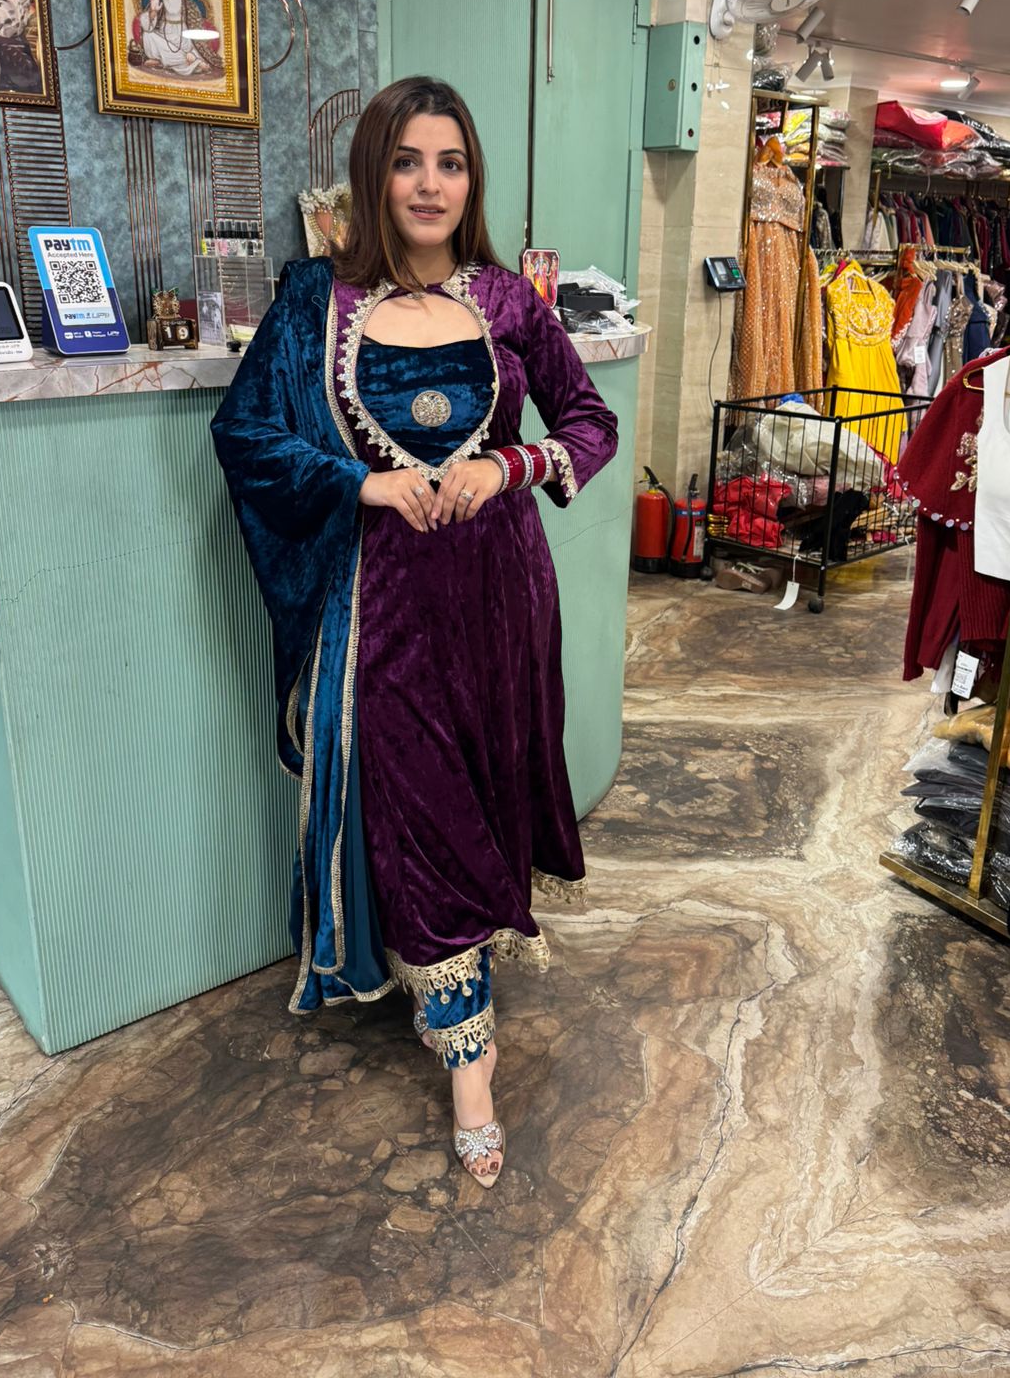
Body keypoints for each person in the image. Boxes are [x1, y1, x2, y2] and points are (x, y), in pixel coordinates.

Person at [211, 77, 618, 1188]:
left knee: (485, 794)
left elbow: (590, 423)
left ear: (471, 178)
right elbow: (246, 434)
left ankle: (460, 973)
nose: (431, 183)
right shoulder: (314, 303)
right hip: (382, 607)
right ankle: (472, 1072)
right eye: (407, 161)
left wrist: (508, 462)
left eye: (451, 162)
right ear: (371, 175)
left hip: (502, 599)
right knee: (424, 805)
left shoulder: (512, 302)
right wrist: (363, 488)